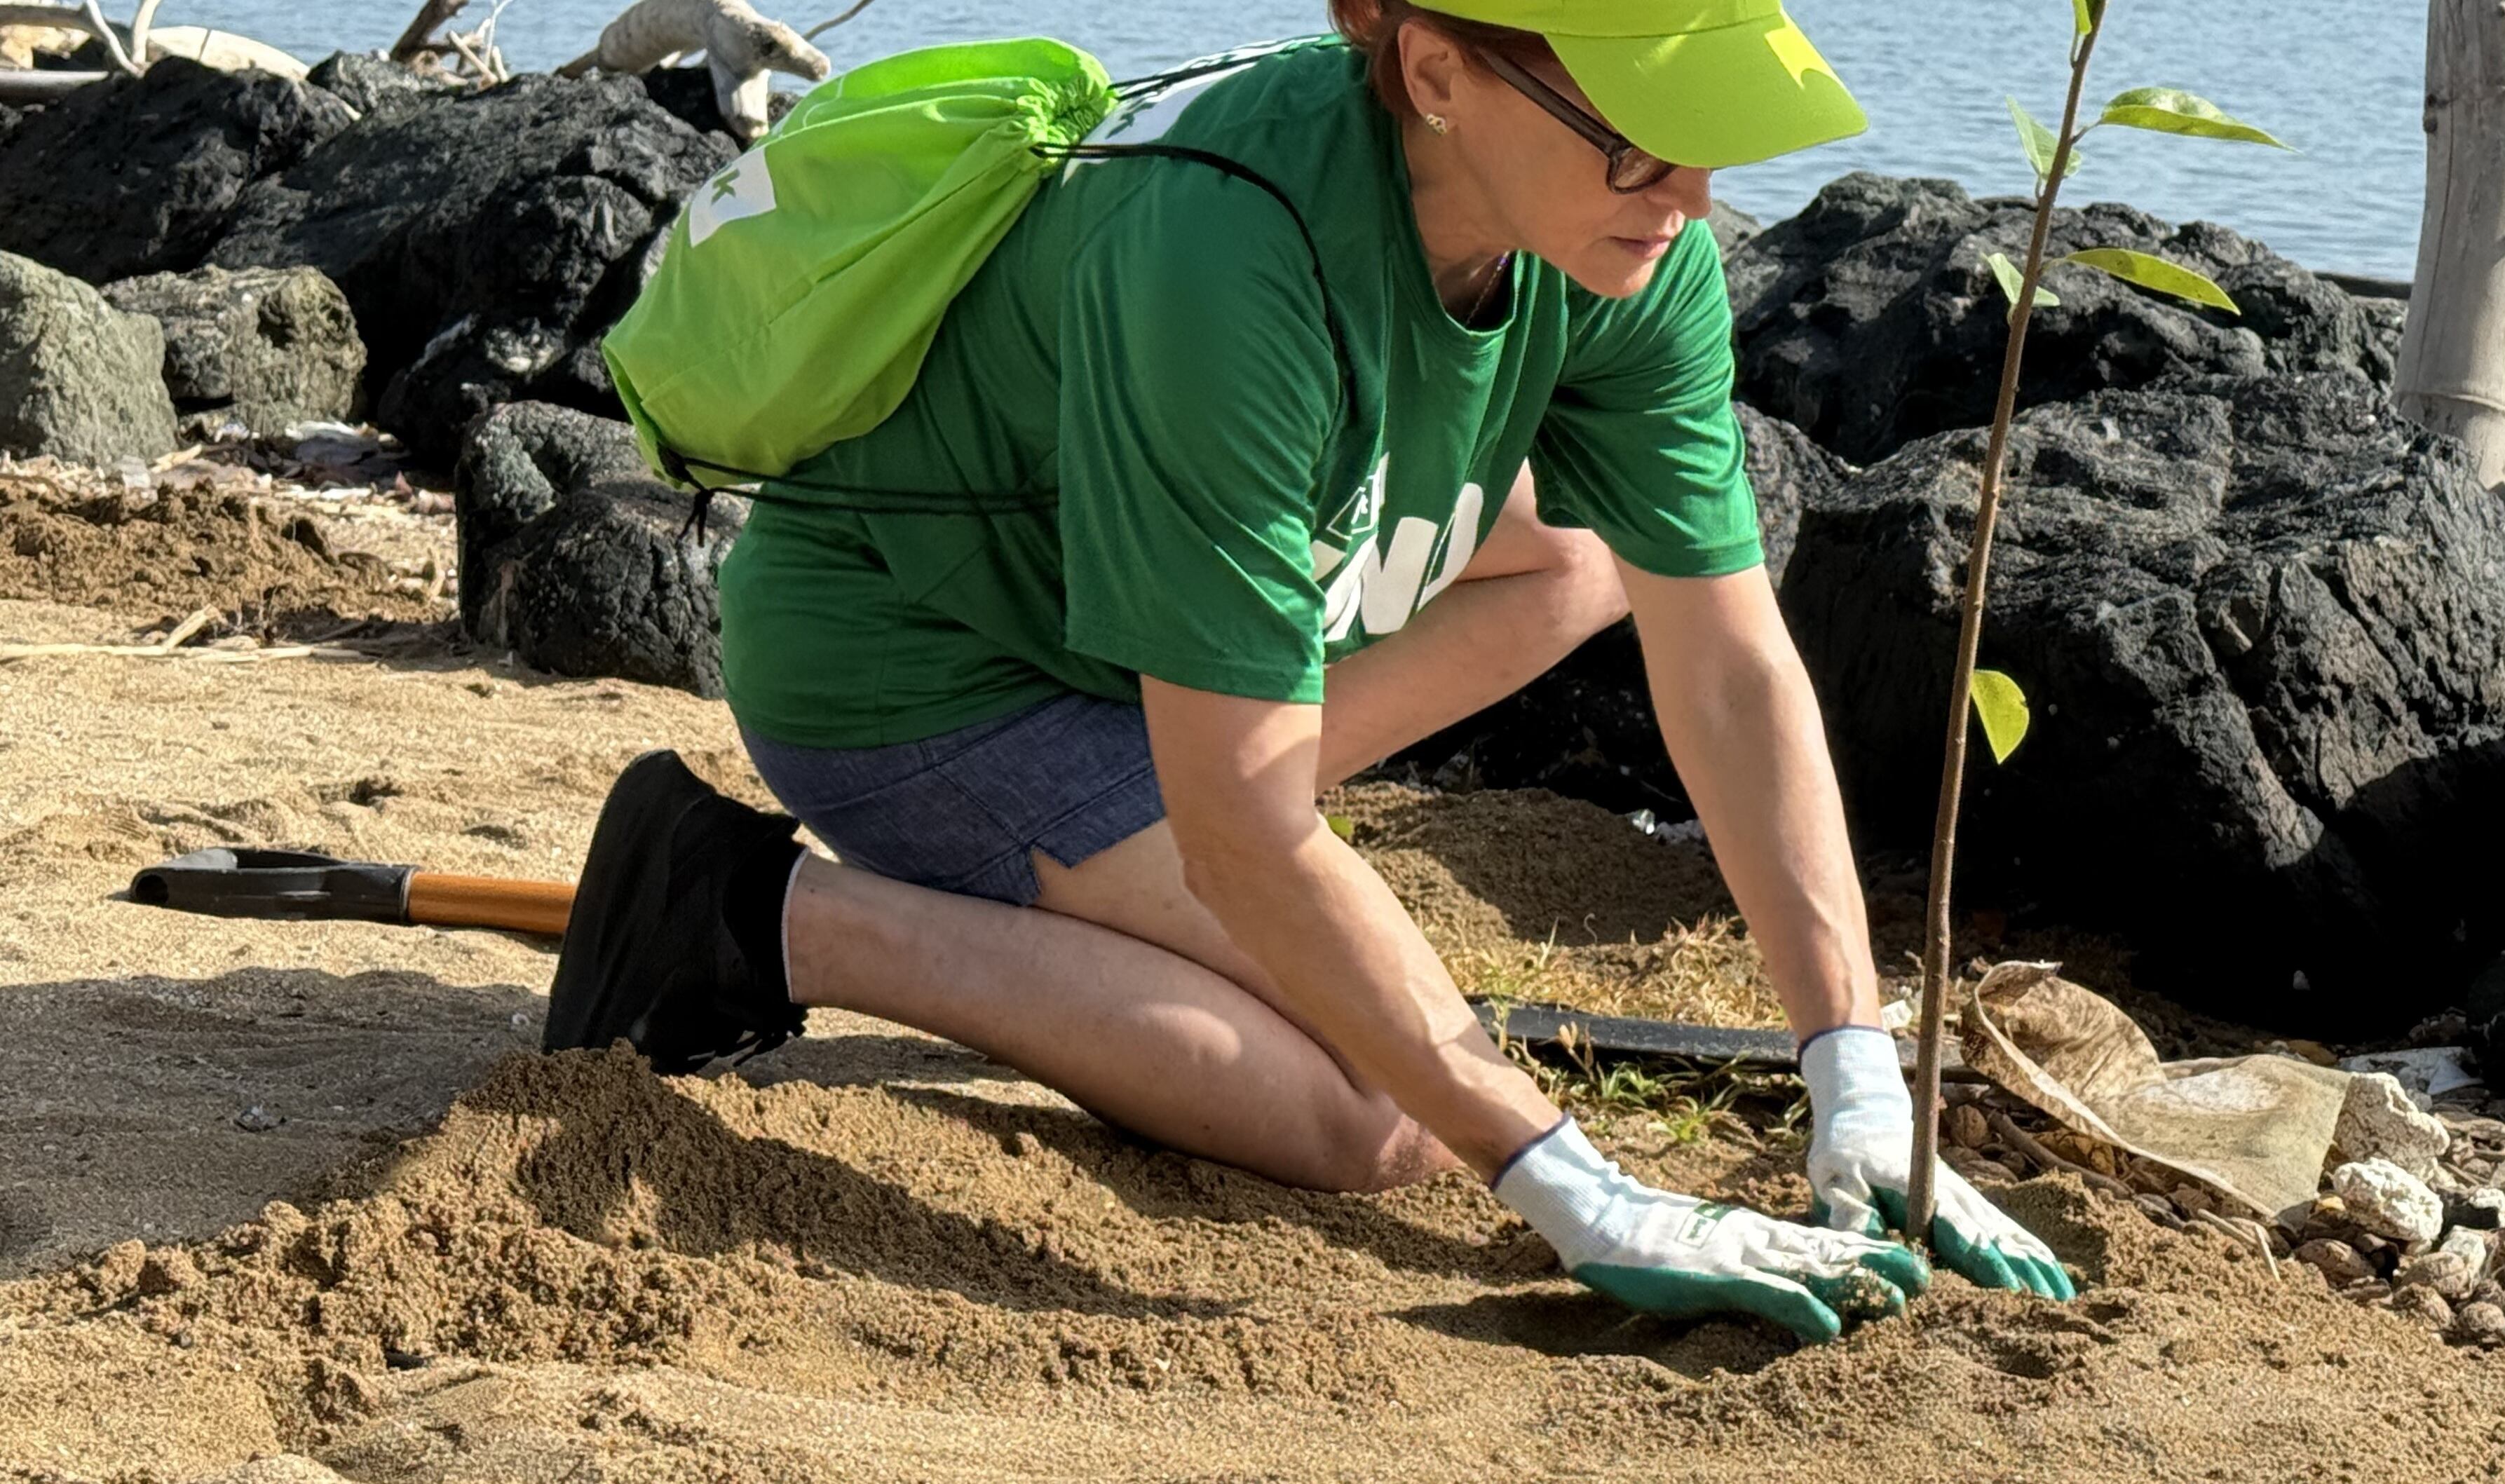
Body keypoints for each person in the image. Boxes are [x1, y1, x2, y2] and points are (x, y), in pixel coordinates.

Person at [546, 0, 2075, 1345]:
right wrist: (1573, 1188)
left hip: (1137, 638)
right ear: (1432, 71)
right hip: (919, 670)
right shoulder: (1225, 255)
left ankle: (1152, 841)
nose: (1689, 195)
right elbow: (1251, 826)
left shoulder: (1629, 254)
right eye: (1635, 143)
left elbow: (1726, 655)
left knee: (1586, 557)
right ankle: (758, 910)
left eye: (1708, 141)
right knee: (1376, 1116)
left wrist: (1850, 1059)